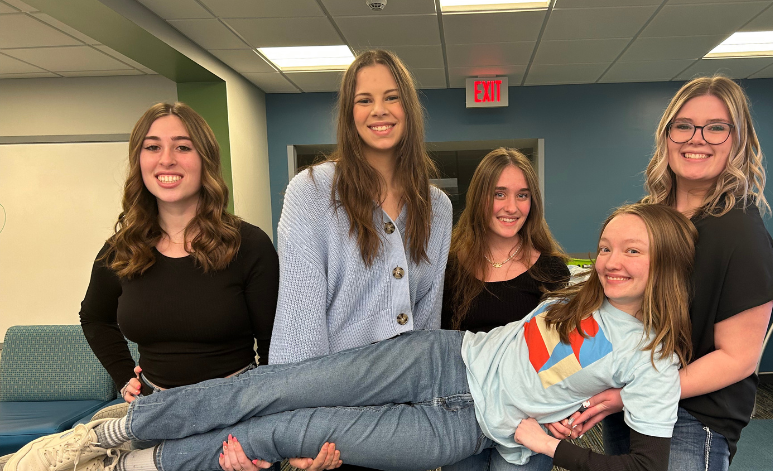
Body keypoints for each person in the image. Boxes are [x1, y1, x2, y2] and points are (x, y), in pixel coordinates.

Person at [4, 203, 696, 471]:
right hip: (442, 356)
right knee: (270, 386)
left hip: (464, 427)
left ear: (663, 261)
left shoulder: (654, 359)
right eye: (606, 245)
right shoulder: (579, 289)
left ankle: (137, 466)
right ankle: (105, 435)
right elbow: (537, 347)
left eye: (631, 252)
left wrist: (547, 442)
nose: (611, 260)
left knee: (293, 429)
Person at [554, 76, 773, 470]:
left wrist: (634, 392)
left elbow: (738, 357)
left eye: (716, 128)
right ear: (667, 136)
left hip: (690, 417)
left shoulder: (739, 231)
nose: (697, 139)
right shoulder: (650, 217)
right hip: (631, 400)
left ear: (737, 140)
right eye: (684, 125)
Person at [265, 49, 453, 471]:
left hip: (405, 416)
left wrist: (428, 411)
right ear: (349, 114)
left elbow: (427, 319)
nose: (379, 111)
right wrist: (294, 426)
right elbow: (299, 316)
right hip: (333, 413)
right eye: (364, 100)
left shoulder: (436, 206)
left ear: (409, 107)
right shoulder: (311, 191)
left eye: (391, 97)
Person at [78, 102, 277, 403]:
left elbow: (274, 345)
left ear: (205, 159)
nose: (166, 160)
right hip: (153, 409)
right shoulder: (122, 250)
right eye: (153, 147)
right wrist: (123, 375)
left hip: (235, 408)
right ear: (139, 160)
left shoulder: (248, 245)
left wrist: (264, 409)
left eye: (183, 147)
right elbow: (94, 317)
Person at [441, 148, 569, 471]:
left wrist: (563, 410)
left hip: (528, 419)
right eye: (499, 194)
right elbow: (440, 344)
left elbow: (563, 357)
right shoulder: (450, 268)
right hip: (463, 413)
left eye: (522, 195)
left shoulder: (551, 271)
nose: (512, 207)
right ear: (480, 197)